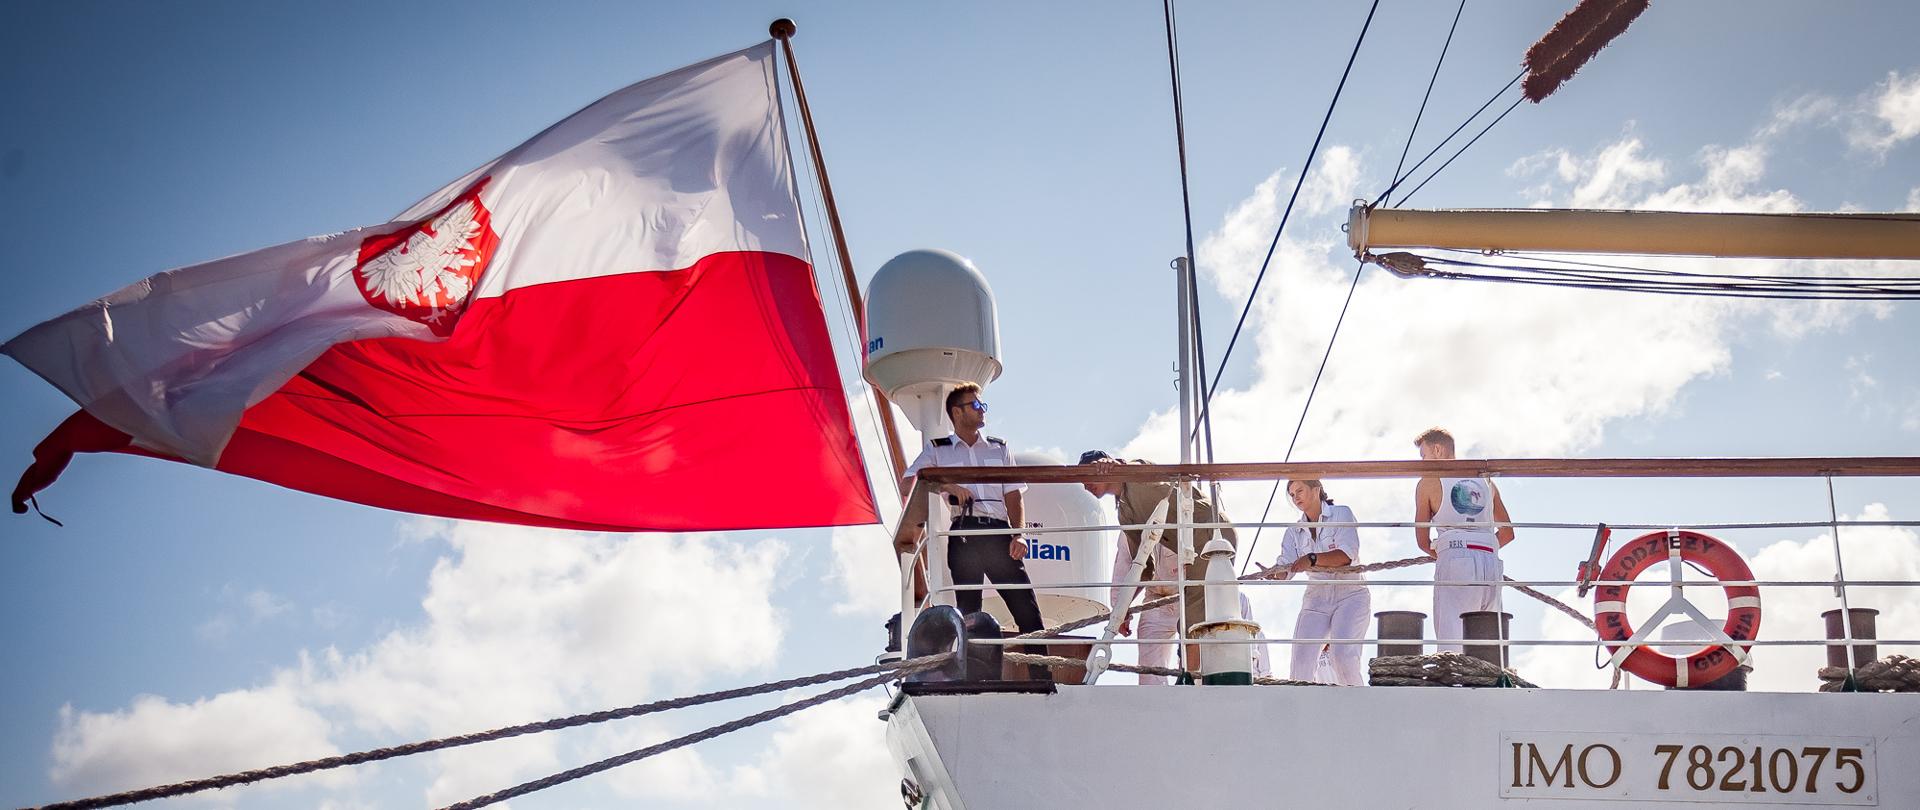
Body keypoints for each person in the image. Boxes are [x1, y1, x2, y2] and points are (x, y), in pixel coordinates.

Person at [902, 383, 1048, 676]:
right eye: (976, 406)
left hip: (998, 534)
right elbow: (909, 482)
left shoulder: (999, 447)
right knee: (969, 614)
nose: (983, 411)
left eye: (983, 406)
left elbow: (1014, 494)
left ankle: (1042, 678)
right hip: (964, 533)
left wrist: (1018, 534)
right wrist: (946, 485)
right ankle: (973, 679)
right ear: (957, 412)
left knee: (1027, 610)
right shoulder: (937, 449)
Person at [1079, 450, 1237, 672]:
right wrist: (1122, 607)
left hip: (1211, 537)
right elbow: (1143, 568)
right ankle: (1195, 678)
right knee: (1193, 620)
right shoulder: (1125, 513)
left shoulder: (1136, 472)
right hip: (1192, 551)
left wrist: (1117, 465)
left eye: (1086, 476)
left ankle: (1194, 681)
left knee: (1193, 619)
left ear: (1102, 466)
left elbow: (1143, 466)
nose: (1085, 486)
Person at [1411, 427, 1515, 654]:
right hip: (1490, 559)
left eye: (1424, 456)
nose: (1423, 463)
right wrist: (1483, 548)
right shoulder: (1486, 482)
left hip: (1456, 557)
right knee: (1489, 644)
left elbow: (1421, 540)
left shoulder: (1429, 481)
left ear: (1437, 450)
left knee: (1452, 642)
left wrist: (1448, 553)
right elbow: (1507, 533)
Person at [1268, 479, 1371, 686]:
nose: (1295, 497)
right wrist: (1274, 573)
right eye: (1291, 494)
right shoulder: (1293, 531)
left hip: (1350, 595)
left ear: (1317, 489)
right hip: (1316, 598)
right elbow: (1286, 568)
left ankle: (1360, 710)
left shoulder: (1342, 513)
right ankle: (1302, 714)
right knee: (1300, 663)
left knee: (1343, 657)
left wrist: (1312, 558)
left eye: (1300, 490)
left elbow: (1347, 555)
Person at [1109, 529, 1181, 684]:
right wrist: (1120, 609)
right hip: (1155, 598)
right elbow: (1124, 563)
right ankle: (1155, 705)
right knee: (1150, 674)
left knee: (1193, 667)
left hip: (1193, 595)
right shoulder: (1132, 524)